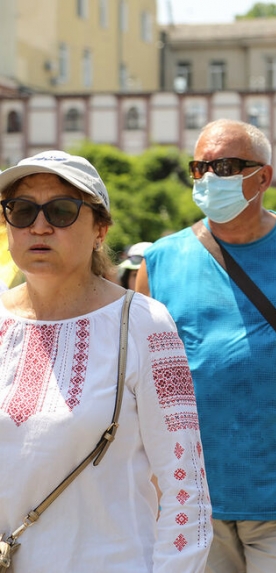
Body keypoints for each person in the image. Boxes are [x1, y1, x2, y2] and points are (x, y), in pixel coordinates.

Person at [137, 119, 276, 573]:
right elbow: (140, 381)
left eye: (226, 166)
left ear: (263, 177)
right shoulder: (159, 262)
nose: (210, 177)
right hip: (192, 502)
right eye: (199, 167)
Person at [0, 151, 211, 571]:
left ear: (100, 229)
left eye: (61, 211)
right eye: (21, 211)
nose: (39, 226)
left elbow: (185, 488)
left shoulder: (145, 324)